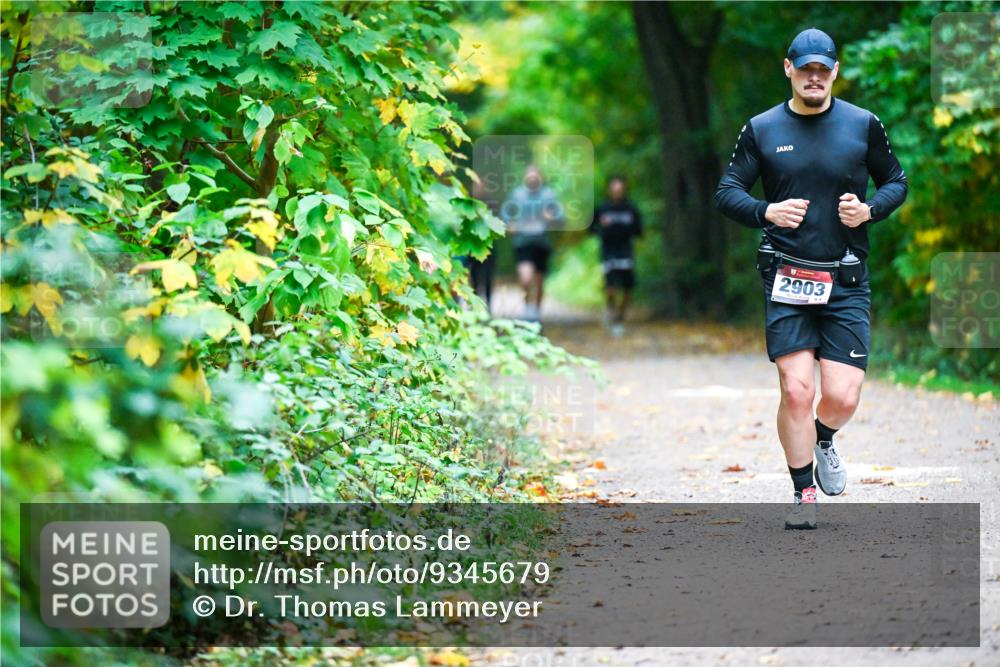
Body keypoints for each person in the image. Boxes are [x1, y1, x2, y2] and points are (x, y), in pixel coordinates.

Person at [714, 28, 908, 529]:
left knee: (842, 396)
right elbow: (727, 191)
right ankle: (803, 493)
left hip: (845, 278)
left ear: (835, 72)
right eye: (806, 69)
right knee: (796, 389)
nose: (814, 77)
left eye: (823, 70)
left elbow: (896, 181)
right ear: (789, 70)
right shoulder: (761, 128)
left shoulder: (863, 124)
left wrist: (869, 210)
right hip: (786, 276)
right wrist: (766, 211)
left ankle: (823, 438)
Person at [501, 165, 564, 322]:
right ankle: (528, 308)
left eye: (535, 175)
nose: (532, 178)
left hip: (542, 243)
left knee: (539, 281)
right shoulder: (517, 194)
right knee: (526, 278)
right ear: (525, 177)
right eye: (530, 175)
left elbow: (561, 217)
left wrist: (552, 217)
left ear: (540, 178)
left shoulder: (549, 195)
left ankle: (536, 312)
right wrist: (509, 225)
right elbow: (506, 213)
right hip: (522, 242)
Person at [590, 176, 643, 336]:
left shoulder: (630, 208)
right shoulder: (602, 208)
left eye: (620, 189)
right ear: (609, 190)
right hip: (608, 251)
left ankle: (620, 316)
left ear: (624, 190)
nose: (617, 192)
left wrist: (629, 232)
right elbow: (591, 227)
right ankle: (612, 313)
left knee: (627, 288)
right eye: (614, 189)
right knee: (610, 288)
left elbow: (639, 229)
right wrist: (602, 232)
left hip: (625, 251)